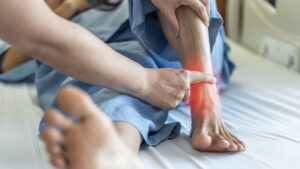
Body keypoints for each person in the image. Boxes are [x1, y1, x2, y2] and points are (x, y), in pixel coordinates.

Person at [0, 0, 245, 169]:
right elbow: (13, 56)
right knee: (116, 80)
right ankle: (112, 151)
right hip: (102, 51)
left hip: (184, 43)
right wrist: (72, 5)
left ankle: (204, 99)